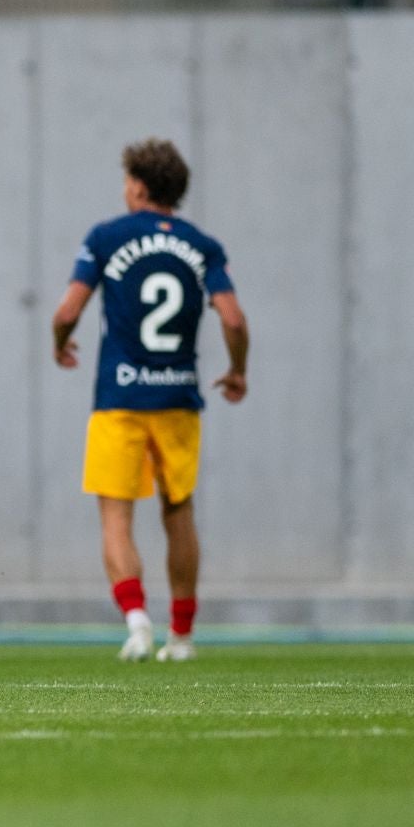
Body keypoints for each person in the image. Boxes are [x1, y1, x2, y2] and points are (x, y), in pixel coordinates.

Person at [51, 139, 249, 663]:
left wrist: (59, 342)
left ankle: (137, 622)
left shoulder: (107, 238)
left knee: (116, 514)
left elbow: (68, 310)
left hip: (120, 396)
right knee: (178, 510)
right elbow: (232, 318)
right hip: (179, 397)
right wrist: (237, 370)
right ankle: (181, 637)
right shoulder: (202, 246)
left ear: (138, 186)